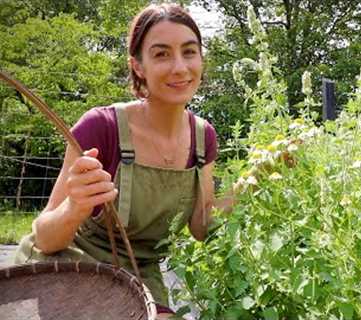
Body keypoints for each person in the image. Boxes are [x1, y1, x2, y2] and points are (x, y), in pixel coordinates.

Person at [14, 3, 219, 318]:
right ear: (138, 66)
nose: (180, 67)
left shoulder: (203, 138)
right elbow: (45, 235)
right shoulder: (102, 128)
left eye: (189, 52)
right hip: (70, 265)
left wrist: (257, 180)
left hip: (139, 275)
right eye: (161, 54)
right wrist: (76, 207)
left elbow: (202, 226)